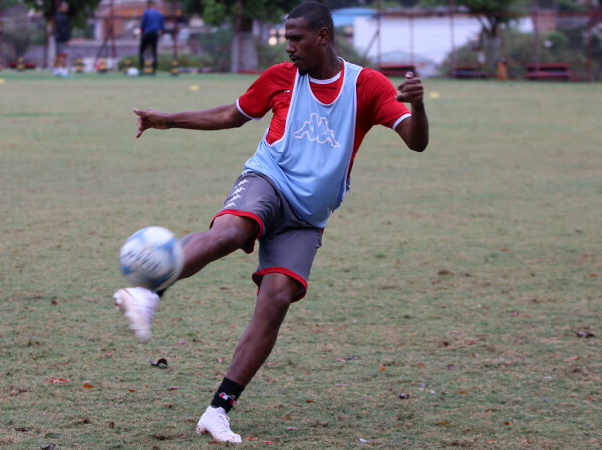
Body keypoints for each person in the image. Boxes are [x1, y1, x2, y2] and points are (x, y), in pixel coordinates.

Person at [113, 1, 428, 444]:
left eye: (296, 38)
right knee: (231, 232)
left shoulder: (367, 85)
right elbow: (233, 115)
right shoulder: (281, 77)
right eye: (286, 38)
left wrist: (419, 108)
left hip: (308, 215)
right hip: (267, 180)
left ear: (323, 36)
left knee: (277, 298)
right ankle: (146, 291)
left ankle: (217, 412)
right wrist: (170, 120)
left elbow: (415, 142)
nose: (289, 47)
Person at [138, 0, 164, 74]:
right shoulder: (159, 13)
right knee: (154, 51)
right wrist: (160, 35)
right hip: (155, 34)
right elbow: (162, 27)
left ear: (150, 4)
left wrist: (141, 33)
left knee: (142, 50)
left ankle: (142, 69)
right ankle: (154, 70)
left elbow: (142, 24)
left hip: (146, 33)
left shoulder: (146, 12)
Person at [53, 2, 71, 78]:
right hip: (61, 39)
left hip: (58, 38)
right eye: (65, 6)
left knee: (57, 55)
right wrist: (66, 39)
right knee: (62, 55)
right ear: (60, 7)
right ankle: (64, 72)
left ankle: (56, 71)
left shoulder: (58, 16)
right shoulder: (62, 17)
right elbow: (63, 30)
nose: (66, 8)